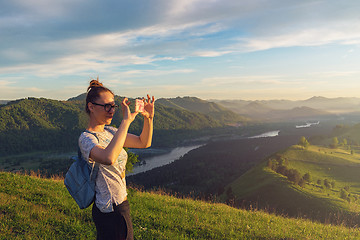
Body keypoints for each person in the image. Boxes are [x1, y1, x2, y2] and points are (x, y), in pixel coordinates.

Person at [78, 78, 154, 240]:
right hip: (109, 209)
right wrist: (126, 121)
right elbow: (108, 158)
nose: (111, 110)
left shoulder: (111, 132)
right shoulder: (86, 138)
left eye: (113, 106)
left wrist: (149, 118)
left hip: (120, 205)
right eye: (106, 106)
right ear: (91, 107)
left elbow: (144, 142)